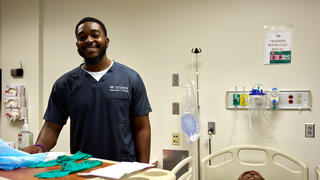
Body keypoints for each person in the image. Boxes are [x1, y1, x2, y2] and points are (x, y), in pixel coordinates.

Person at [22, 17, 152, 163]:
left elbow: (142, 128)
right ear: (77, 44)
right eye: (82, 37)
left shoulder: (130, 78)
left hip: (123, 167)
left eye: (95, 35)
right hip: (83, 166)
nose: (89, 40)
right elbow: (52, 126)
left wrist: (143, 168)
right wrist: (39, 147)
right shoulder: (64, 84)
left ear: (106, 41)